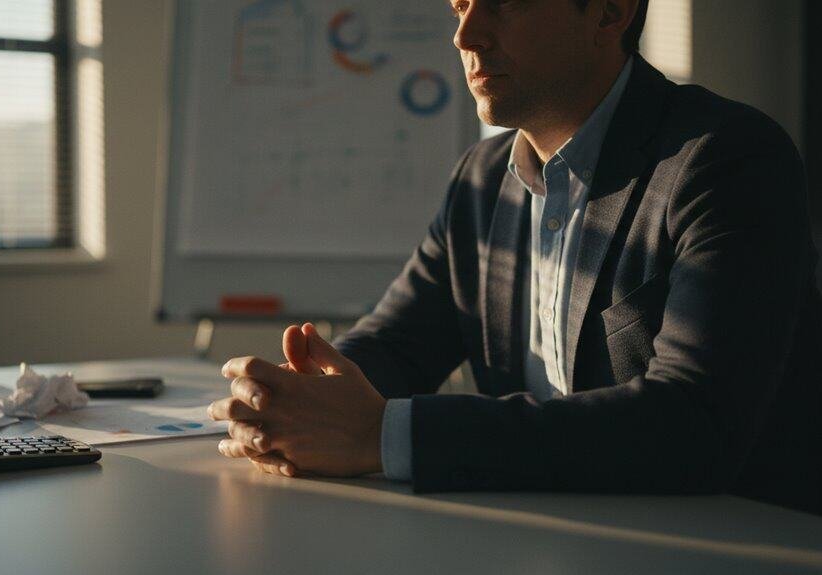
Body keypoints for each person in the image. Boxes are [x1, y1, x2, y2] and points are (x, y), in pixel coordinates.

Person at [208, 0, 822, 515]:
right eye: (458, 4)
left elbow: (695, 425)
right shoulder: (480, 178)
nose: (465, 34)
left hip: (729, 543)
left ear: (609, 10)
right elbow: (398, 344)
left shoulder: (727, 160)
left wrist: (379, 435)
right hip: (539, 536)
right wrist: (296, 401)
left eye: (501, 3)